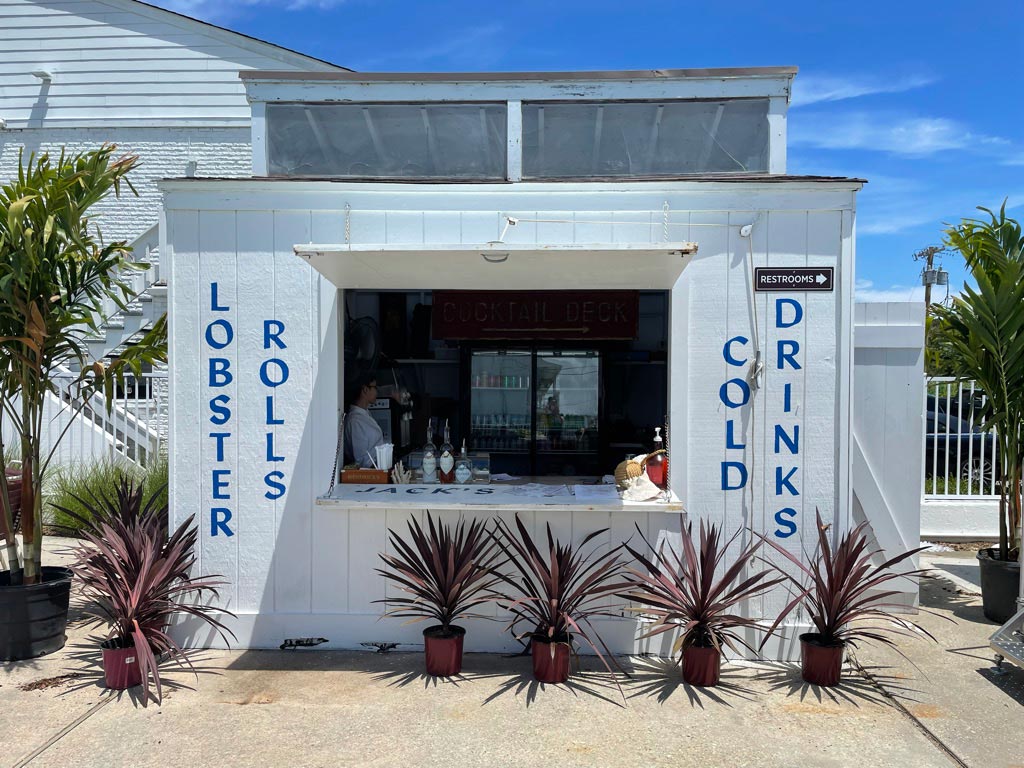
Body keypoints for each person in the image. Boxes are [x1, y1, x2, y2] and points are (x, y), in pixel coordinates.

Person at [344, 373, 384, 468]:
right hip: (370, 472)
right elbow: (361, 460)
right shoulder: (355, 421)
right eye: (375, 388)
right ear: (365, 389)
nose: (377, 392)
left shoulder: (364, 413)